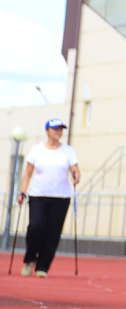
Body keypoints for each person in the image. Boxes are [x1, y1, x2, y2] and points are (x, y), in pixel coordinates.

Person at [16, 118, 81, 278]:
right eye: (55, 129)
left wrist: (76, 175)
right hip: (38, 194)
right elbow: (28, 174)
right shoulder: (37, 150)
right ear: (47, 131)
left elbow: (75, 169)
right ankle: (30, 259)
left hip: (61, 197)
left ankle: (42, 267)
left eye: (60, 129)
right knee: (36, 227)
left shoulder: (68, 151)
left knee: (53, 233)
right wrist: (23, 192)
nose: (58, 132)